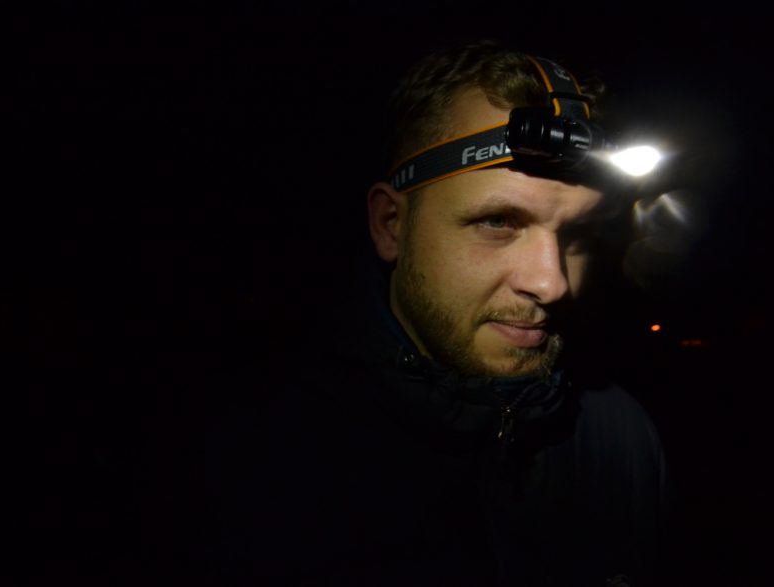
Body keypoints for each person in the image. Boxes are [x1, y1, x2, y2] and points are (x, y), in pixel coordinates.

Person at [211, 39, 671, 587]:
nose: (551, 284)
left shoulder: (621, 438)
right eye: (497, 222)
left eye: (578, 234)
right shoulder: (251, 458)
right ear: (391, 225)